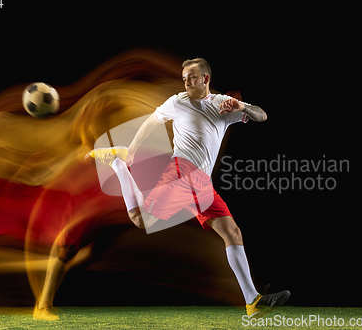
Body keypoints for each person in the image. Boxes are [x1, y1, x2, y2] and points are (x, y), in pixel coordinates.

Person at [88, 58, 290, 318]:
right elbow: (153, 120)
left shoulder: (222, 104)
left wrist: (241, 106)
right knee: (141, 220)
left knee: (232, 232)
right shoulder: (177, 101)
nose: (186, 81)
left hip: (202, 182)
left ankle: (252, 301)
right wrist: (133, 150)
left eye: (192, 77)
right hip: (181, 173)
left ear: (206, 79)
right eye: (184, 77)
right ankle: (119, 164)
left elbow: (261, 115)